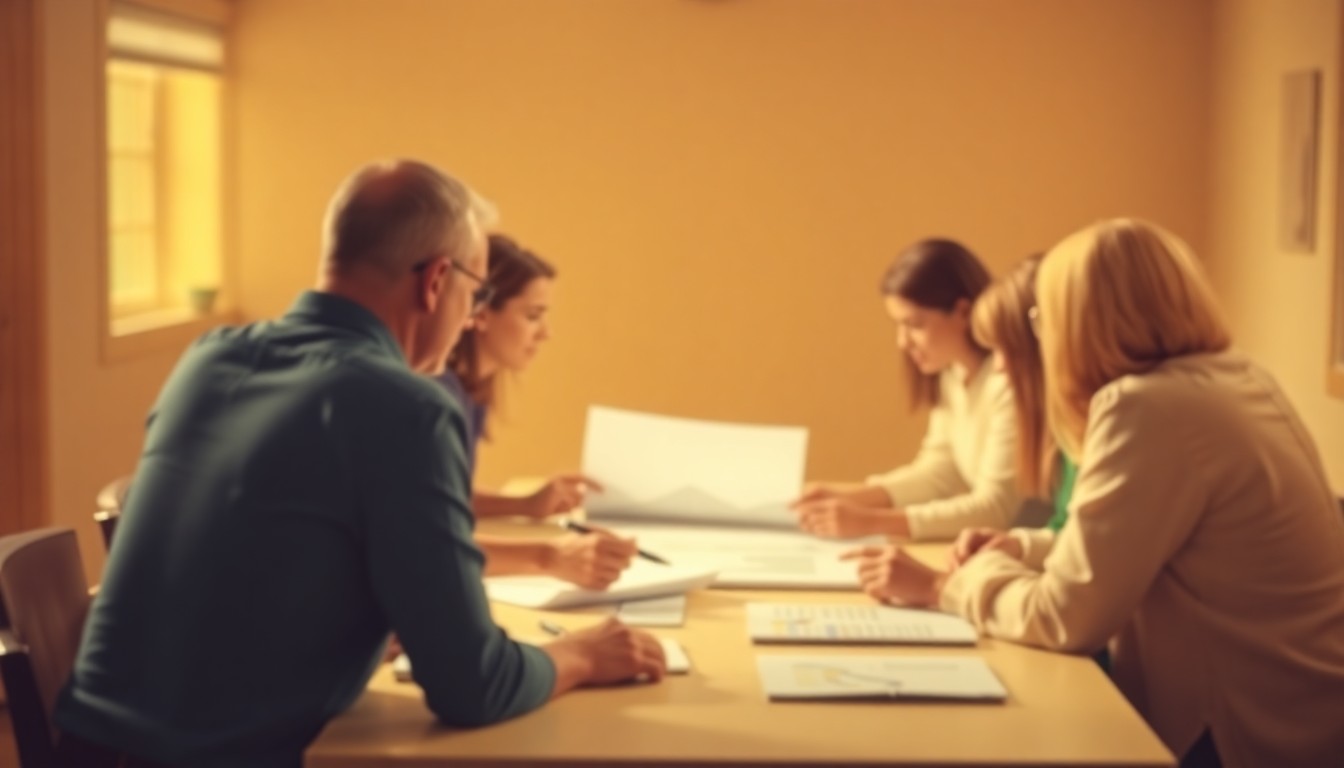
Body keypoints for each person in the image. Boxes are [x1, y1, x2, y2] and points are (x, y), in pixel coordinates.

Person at [54, 159, 666, 768]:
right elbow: (474, 687)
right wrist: (583, 656)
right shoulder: (408, 409)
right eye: (474, 293)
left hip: (88, 747)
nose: (467, 317)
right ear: (435, 281)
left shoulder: (208, 359)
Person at [845, 219, 1344, 767]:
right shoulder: (1234, 378)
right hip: (1304, 711)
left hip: (1239, 733)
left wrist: (945, 585)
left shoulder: (1144, 408)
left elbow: (1065, 617)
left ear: (1079, 321)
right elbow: (1132, 544)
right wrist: (1020, 549)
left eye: (1043, 319)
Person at [436, 234, 633, 591]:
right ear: (479, 311)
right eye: (532, 316)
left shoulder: (470, 393)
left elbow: (444, 495)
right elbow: (427, 539)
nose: (546, 333)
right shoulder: (437, 398)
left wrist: (524, 504)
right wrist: (550, 557)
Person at [793, 238, 1020, 541]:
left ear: (963, 312)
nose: (903, 342)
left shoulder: (1008, 384)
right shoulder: (952, 374)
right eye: (898, 326)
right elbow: (939, 472)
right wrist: (854, 497)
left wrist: (872, 522)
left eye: (914, 324)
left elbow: (994, 507)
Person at [948, 255, 1076, 570]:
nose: (1000, 366)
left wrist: (937, 588)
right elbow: (1066, 532)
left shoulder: (1098, 426)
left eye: (1008, 349)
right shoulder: (1064, 428)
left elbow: (1087, 557)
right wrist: (1017, 545)